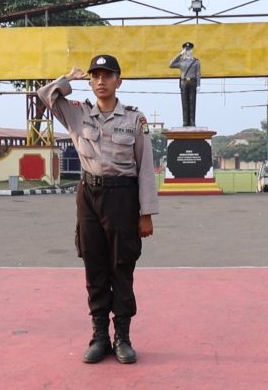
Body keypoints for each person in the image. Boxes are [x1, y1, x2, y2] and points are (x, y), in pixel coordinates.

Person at [36, 54, 159, 365]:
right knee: (94, 265)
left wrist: (146, 213)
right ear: (90, 82)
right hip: (89, 195)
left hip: (123, 197)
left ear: (119, 80)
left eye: (107, 75)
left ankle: (123, 337)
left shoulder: (134, 119)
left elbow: (146, 168)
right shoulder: (77, 115)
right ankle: (99, 336)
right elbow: (44, 95)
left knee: (122, 265)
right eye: (95, 76)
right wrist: (69, 78)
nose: (101, 81)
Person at [169, 42, 201, 127]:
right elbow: (171, 64)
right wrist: (180, 54)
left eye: (189, 50)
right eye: (186, 50)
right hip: (184, 82)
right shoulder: (181, 61)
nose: (188, 51)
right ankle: (185, 122)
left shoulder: (196, 61)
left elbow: (198, 73)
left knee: (192, 102)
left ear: (192, 50)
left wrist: (198, 84)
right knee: (184, 103)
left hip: (192, 82)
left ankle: (192, 121)